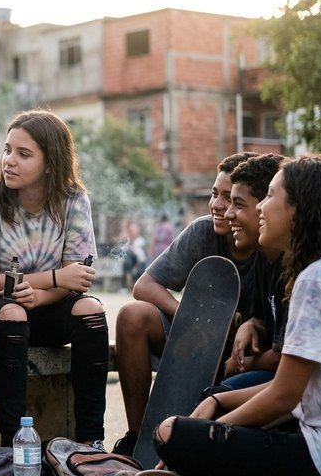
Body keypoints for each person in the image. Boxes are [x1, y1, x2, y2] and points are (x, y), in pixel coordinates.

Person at [154, 154, 321, 476]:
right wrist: (218, 401)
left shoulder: (318, 280)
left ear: (298, 209)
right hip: (318, 439)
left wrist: (208, 433)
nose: (261, 208)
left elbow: (283, 395)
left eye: (269, 196)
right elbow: (294, 389)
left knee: (171, 434)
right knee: (192, 427)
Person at [0, 110, 109, 449]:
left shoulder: (74, 200)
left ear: (50, 163)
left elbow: (75, 281)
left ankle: (91, 443)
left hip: (42, 303)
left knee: (91, 310)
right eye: (7, 149)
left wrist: (41, 295)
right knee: (13, 312)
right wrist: (53, 278)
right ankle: (13, 445)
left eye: (23, 154)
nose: (9, 160)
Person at [112, 152, 260, 456]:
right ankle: (138, 439)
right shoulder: (202, 232)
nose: (217, 205)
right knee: (132, 316)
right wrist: (191, 317)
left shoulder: (269, 243)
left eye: (230, 198)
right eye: (214, 194)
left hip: (245, 355)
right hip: (198, 339)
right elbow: (144, 285)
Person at [220, 153, 287, 391]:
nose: (227, 214)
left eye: (238, 204)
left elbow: (288, 357)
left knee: (221, 394)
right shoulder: (263, 255)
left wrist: (242, 364)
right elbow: (261, 317)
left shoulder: (297, 268)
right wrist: (249, 325)